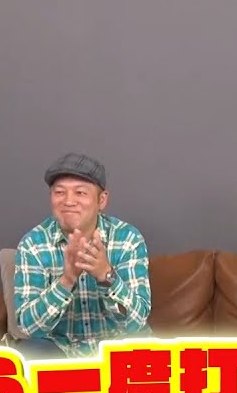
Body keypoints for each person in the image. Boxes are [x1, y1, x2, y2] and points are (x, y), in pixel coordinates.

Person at [12, 152, 152, 359]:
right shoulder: (32, 244)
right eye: (59, 192)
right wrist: (66, 280)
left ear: (101, 200)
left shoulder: (128, 239)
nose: (68, 201)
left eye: (80, 193)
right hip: (61, 349)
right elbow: (29, 327)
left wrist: (106, 276)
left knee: (145, 351)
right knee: (30, 351)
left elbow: (137, 321)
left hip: (118, 348)